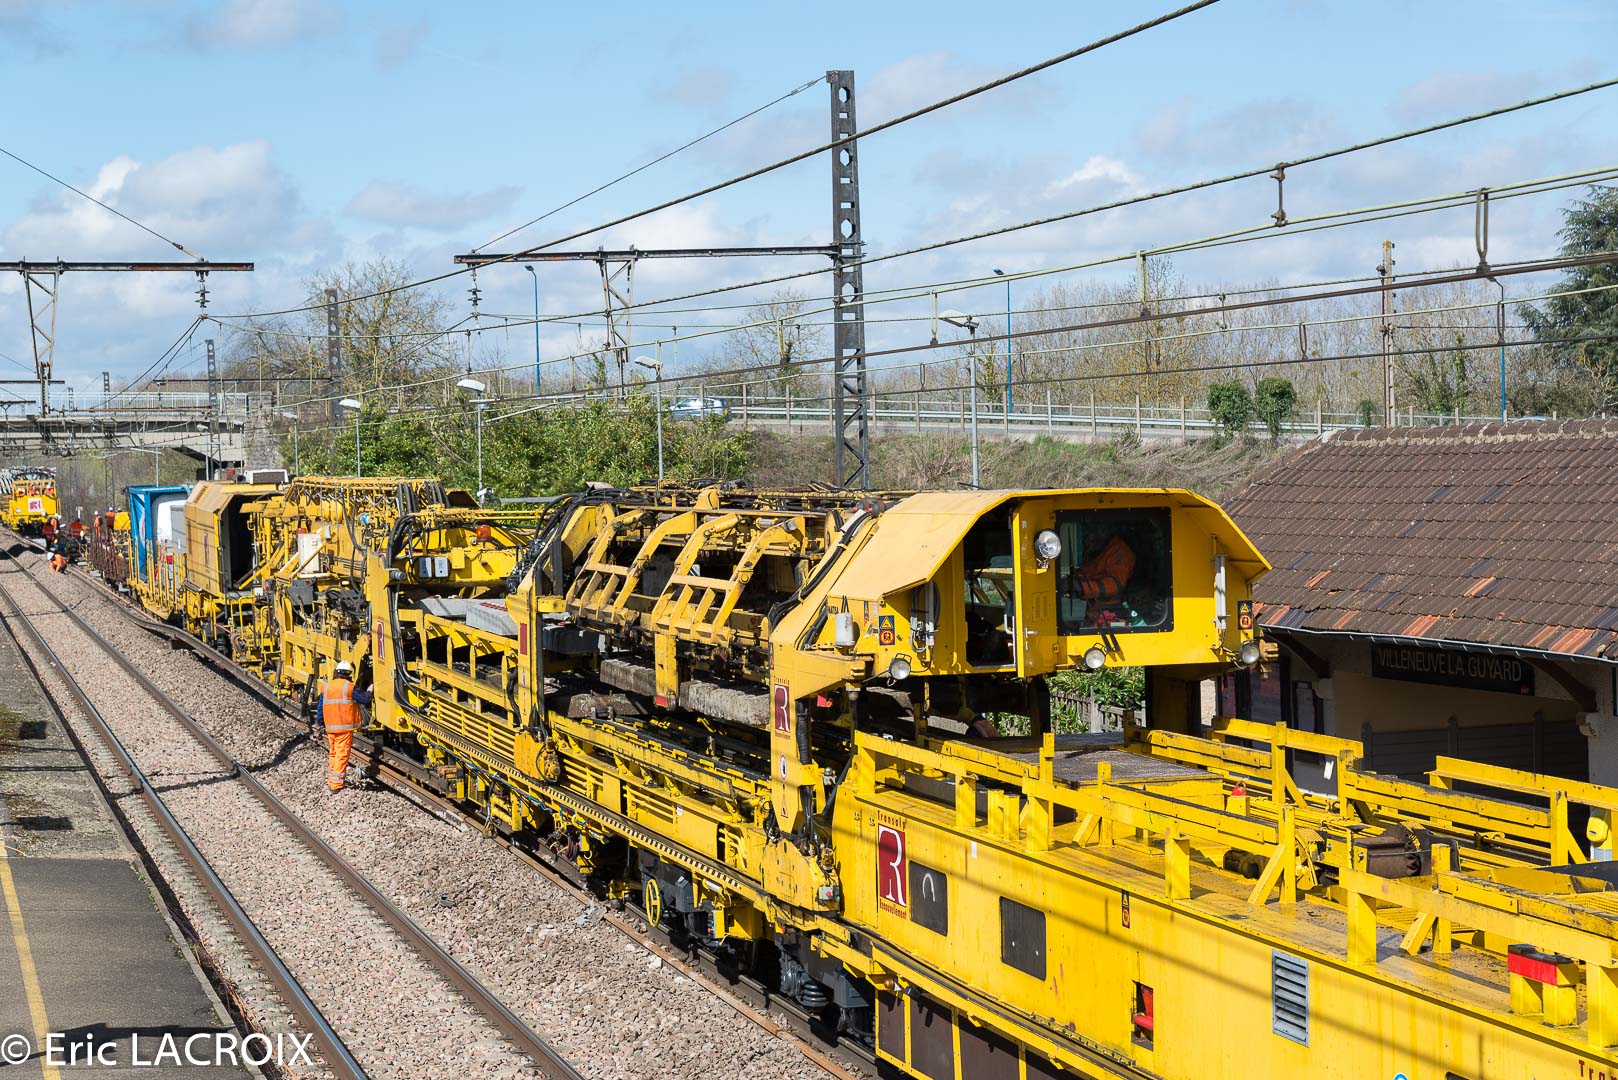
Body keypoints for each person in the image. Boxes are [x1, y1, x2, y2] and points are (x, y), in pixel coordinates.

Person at [319, 660, 372, 792]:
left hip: (330, 727)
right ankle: (336, 785)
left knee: (334, 753)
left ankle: (332, 780)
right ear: (349, 674)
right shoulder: (349, 687)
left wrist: (320, 722)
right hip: (343, 728)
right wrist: (370, 691)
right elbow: (365, 699)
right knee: (341, 754)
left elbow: (320, 707)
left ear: (336, 672)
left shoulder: (326, 687)